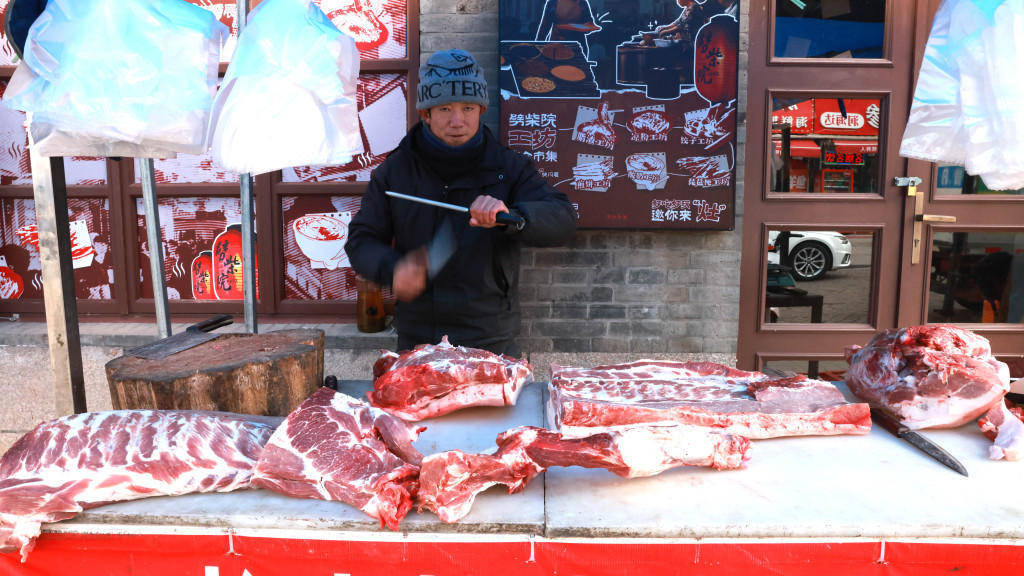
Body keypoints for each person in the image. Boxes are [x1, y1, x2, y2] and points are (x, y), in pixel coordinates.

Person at [344, 49, 577, 356]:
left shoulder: (509, 167)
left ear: (481, 110)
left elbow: (563, 218)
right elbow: (361, 239)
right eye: (444, 109)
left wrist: (513, 217)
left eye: (468, 108)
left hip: (491, 334)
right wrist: (393, 269)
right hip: (419, 336)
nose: (457, 121)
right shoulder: (395, 171)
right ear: (425, 114)